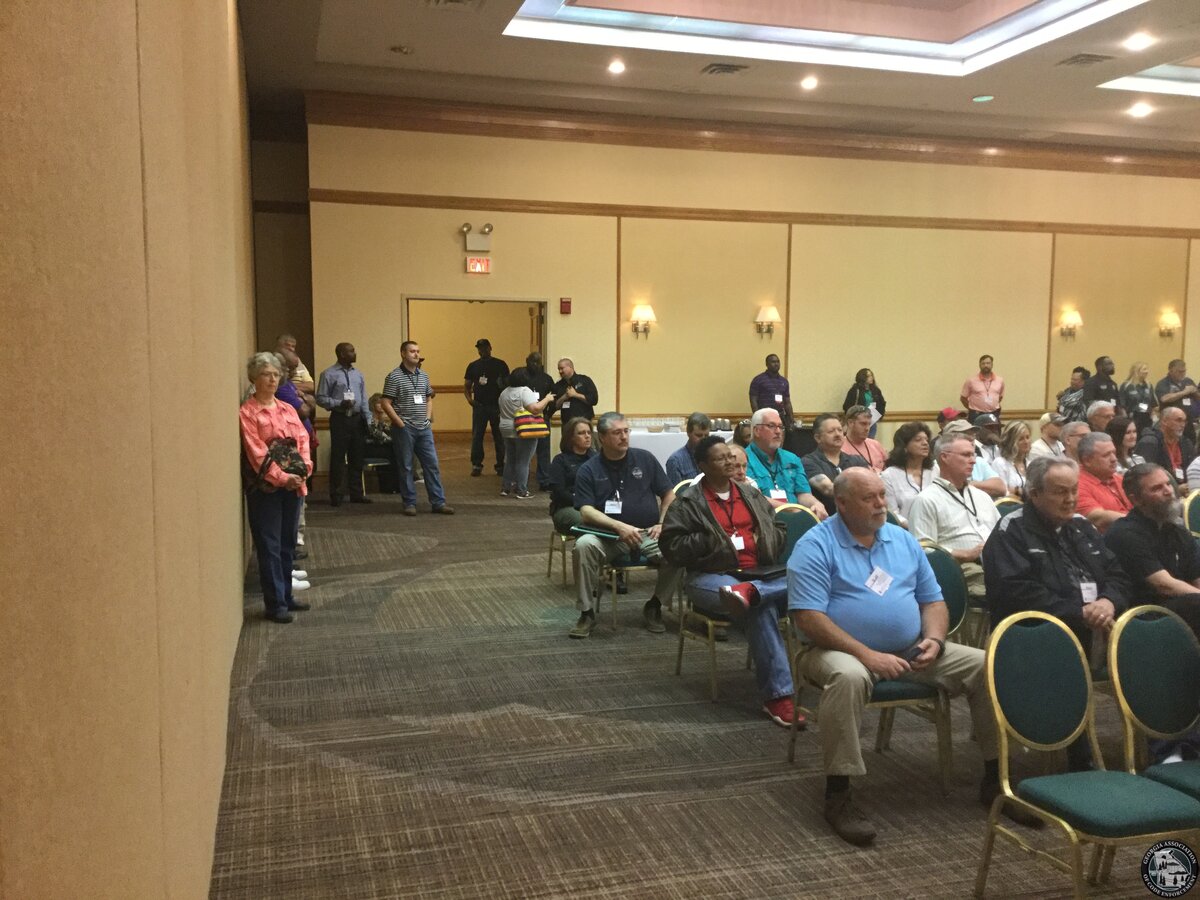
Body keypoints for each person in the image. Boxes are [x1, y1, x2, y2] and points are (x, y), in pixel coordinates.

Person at [789, 468, 1006, 846]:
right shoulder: (815, 545)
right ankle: (838, 792)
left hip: (910, 649)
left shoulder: (901, 539)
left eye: (882, 496)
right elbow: (809, 618)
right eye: (868, 498)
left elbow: (932, 601)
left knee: (986, 664)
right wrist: (868, 655)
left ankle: (997, 777)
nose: (880, 505)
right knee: (849, 677)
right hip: (835, 650)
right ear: (841, 503)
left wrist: (935, 640)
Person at [982, 456, 1131, 770]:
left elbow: (1118, 574)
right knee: (1070, 639)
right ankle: (1080, 755)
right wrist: (1079, 612)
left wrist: (1108, 602)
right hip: (1036, 631)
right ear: (1035, 494)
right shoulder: (1012, 531)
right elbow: (1016, 592)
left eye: (1074, 490)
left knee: (1148, 637)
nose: (1071, 499)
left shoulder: (1081, 526)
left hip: (1095, 621)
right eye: (1061, 492)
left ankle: (1157, 741)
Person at [660, 436, 800, 728]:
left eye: (730, 456)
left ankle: (754, 592)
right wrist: (710, 540)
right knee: (760, 607)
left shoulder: (750, 494)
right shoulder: (688, 502)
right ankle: (778, 697)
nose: (730, 462)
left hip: (758, 573)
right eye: (721, 458)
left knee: (804, 580)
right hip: (710, 576)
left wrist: (767, 538)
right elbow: (671, 547)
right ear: (702, 465)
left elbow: (779, 527)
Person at [570, 412, 677, 639]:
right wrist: (619, 526)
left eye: (626, 431)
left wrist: (662, 522)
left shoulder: (645, 459)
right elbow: (586, 511)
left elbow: (669, 494)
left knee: (680, 548)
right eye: (617, 433)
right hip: (608, 536)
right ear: (602, 437)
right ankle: (586, 612)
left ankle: (655, 605)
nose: (624, 437)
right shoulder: (589, 469)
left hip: (648, 532)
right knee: (583, 546)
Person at [240, 352, 313, 624]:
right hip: (266, 488)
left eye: (275, 375)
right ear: (254, 378)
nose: (272, 380)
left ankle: (287, 595)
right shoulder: (248, 412)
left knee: (287, 543)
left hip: (294, 484)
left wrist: (304, 470)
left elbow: (302, 439)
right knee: (269, 545)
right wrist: (282, 477)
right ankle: (275, 604)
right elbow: (256, 452)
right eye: (265, 374)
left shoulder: (287, 409)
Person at [1105, 463, 1200, 637]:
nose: (1168, 491)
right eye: (1157, 488)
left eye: (1168, 484)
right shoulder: (1125, 533)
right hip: (1144, 616)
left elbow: (1196, 578)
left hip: (1184, 607)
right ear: (1136, 500)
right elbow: (1164, 585)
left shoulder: (1177, 531)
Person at [908, 432, 1000, 601]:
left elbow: (1002, 534)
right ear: (945, 457)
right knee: (1007, 588)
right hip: (962, 569)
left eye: (973, 455)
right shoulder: (927, 500)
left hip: (997, 563)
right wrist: (963, 554)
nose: (973, 460)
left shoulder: (982, 497)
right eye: (966, 455)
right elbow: (923, 550)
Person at [381, 340, 454, 517]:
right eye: (412, 351)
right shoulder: (394, 376)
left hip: (424, 428)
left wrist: (427, 418)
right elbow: (385, 402)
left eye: (418, 351)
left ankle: (438, 502)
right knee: (406, 466)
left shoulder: (424, 376)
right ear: (403, 354)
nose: (416, 354)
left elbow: (429, 398)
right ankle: (409, 503)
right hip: (405, 428)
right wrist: (399, 422)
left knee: (432, 465)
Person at [315, 342, 371, 507]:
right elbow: (320, 398)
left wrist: (368, 419)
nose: (355, 353)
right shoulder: (328, 374)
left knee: (357, 457)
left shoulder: (358, 374)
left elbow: (364, 398)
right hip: (340, 419)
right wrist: (339, 403)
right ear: (341, 354)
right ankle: (336, 494)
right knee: (338, 457)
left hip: (357, 419)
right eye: (351, 351)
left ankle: (356, 493)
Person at [743, 408, 826, 518]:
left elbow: (803, 494)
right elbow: (754, 497)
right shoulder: (743, 459)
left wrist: (815, 504)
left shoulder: (792, 459)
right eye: (771, 426)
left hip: (795, 519)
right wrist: (792, 510)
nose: (778, 431)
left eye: (780, 427)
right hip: (763, 520)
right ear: (757, 430)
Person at [497, 368, 554, 499]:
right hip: (523, 428)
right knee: (523, 461)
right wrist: (547, 399)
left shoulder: (504, 392)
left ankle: (506, 488)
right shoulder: (524, 391)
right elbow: (535, 409)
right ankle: (522, 490)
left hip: (506, 428)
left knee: (510, 459)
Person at [803, 414, 869, 517]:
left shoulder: (857, 461)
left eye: (840, 430)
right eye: (831, 431)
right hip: (827, 519)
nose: (838, 434)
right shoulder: (809, 462)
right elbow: (828, 489)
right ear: (818, 438)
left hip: (859, 517)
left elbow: (870, 485)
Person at [510, 351, 557, 491]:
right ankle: (520, 480)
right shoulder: (520, 376)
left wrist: (548, 414)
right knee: (522, 452)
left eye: (537, 362)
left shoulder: (547, 379)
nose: (535, 365)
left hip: (541, 419)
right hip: (523, 419)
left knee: (543, 450)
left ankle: (544, 480)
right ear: (527, 361)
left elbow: (553, 398)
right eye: (532, 362)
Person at [464, 338, 509, 477]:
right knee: (477, 436)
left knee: (499, 436)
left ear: (490, 348)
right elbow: (467, 386)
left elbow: (508, 385)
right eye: (480, 348)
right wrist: (470, 400)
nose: (482, 350)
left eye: (484, 347)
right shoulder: (473, 366)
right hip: (480, 406)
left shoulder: (500, 365)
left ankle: (501, 465)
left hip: (497, 406)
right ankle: (476, 464)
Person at [1074, 432, 1131, 534]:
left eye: (1114, 453)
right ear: (1087, 460)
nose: (1114, 459)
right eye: (1106, 455)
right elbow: (1098, 518)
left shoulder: (1119, 479)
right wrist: (1137, 522)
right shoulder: (1076, 484)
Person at [879, 421, 934, 528]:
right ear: (904, 446)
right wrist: (915, 528)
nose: (925, 443)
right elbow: (892, 514)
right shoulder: (889, 475)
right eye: (918, 440)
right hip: (905, 530)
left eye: (926, 440)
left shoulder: (934, 470)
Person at [934, 420, 1007, 499]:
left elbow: (1001, 488)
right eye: (966, 437)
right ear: (948, 440)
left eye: (973, 436)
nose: (972, 441)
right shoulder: (936, 466)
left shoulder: (978, 461)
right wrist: (983, 486)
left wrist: (966, 485)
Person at [548, 417, 596, 535]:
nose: (587, 436)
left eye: (589, 432)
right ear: (571, 437)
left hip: (595, 505)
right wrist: (584, 503)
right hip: (567, 507)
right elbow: (559, 492)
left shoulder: (596, 458)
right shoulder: (560, 460)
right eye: (581, 433)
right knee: (589, 522)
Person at [1137, 406, 1196, 490]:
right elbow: (1144, 477)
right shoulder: (1150, 442)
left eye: (1184, 421)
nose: (1183, 425)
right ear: (1164, 421)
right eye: (1178, 420)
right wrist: (1175, 489)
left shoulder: (1186, 443)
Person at [748, 353, 794, 429]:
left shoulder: (784, 381)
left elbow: (787, 402)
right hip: (764, 418)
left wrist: (791, 419)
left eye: (778, 362)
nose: (776, 364)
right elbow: (753, 400)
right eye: (773, 362)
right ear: (767, 364)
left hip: (780, 417)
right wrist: (758, 417)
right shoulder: (758, 380)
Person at [1156, 358, 1199, 437]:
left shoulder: (1188, 381)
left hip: (1188, 422)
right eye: (1179, 371)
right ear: (1171, 371)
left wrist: (1195, 392)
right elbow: (1164, 398)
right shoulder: (1163, 383)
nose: (1183, 374)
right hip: (1172, 424)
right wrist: (1184, 392)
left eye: (1184, 371)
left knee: (1189, 443)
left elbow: (1198, 398)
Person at [366, 393, 400, 494]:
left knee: (396, 450)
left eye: (382, 403)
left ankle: (393, 485)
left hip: (379, 446)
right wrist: (393, 440)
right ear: (373, 405)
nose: (381, 405)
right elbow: (377, 435)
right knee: (393, 452)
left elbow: (389, 431)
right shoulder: (369, 419)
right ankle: (391, 486)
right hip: (368, 447)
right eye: (378, 403)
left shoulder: (380, 418)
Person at [665, 412, 711, 484]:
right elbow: (677, 490)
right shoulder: (675, 461)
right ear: (688, 433)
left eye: (706, 435)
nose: (703, 439)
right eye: (698, 435)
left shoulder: (712, 456)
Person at [552, 358, 598, 427]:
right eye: (559, 369)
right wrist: (564, 397)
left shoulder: (584, 380)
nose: (560, 371)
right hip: (567, 424)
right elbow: (554, 406)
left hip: (585, 422)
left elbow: (594, 400)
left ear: (570, 367)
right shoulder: (558, 385)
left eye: (562, 368)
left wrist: (575, 395)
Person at [991, 420, 1031, 498]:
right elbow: (1002, 492)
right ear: (1011, 441)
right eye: (1021, 439)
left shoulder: (1031, 464)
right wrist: (1019, 491)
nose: (1026, 442)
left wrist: (1015, 491)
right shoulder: (1000, 463)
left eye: (1027, 437)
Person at [842, 369, 885, 437]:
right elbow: (847, 405)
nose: (871, 378)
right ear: (862, 377)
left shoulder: (875, 390)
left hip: (872, 419)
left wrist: (880, 415)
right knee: (858, 438)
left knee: (870, 440)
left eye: (871, 375)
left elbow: (881, 403)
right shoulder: (855, 390)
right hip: (859, 420)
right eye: (869, 376)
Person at [961, 354, 1004, 423]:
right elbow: (963, 398)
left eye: (988, 363)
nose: (985, 365)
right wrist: (972, 409)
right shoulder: (971, 381)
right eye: (983, 363)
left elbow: (1000, 397)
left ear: (992, 364)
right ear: (979, 365)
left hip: (994, 414)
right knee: (975, 430)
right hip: (976, 414)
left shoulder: (1000, 380)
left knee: (994, 430)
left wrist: (991, 405)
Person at [842, 405, 886, 471]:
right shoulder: (840, 447)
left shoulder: (876, 444)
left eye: (869, 424)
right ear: (850, 423)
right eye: (863, 424)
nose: (867, 428)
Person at [1119, 361, 1156, 437]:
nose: (1147, 371)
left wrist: (1153, 417)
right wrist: (1125, 419)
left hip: (1146, 417)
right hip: (1132, 417)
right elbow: (1121, 404)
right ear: (1137, 371)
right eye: (1144, 369)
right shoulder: (1127, 386)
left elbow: (1152, 404)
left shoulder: (1148, 385)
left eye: (1147, 369)